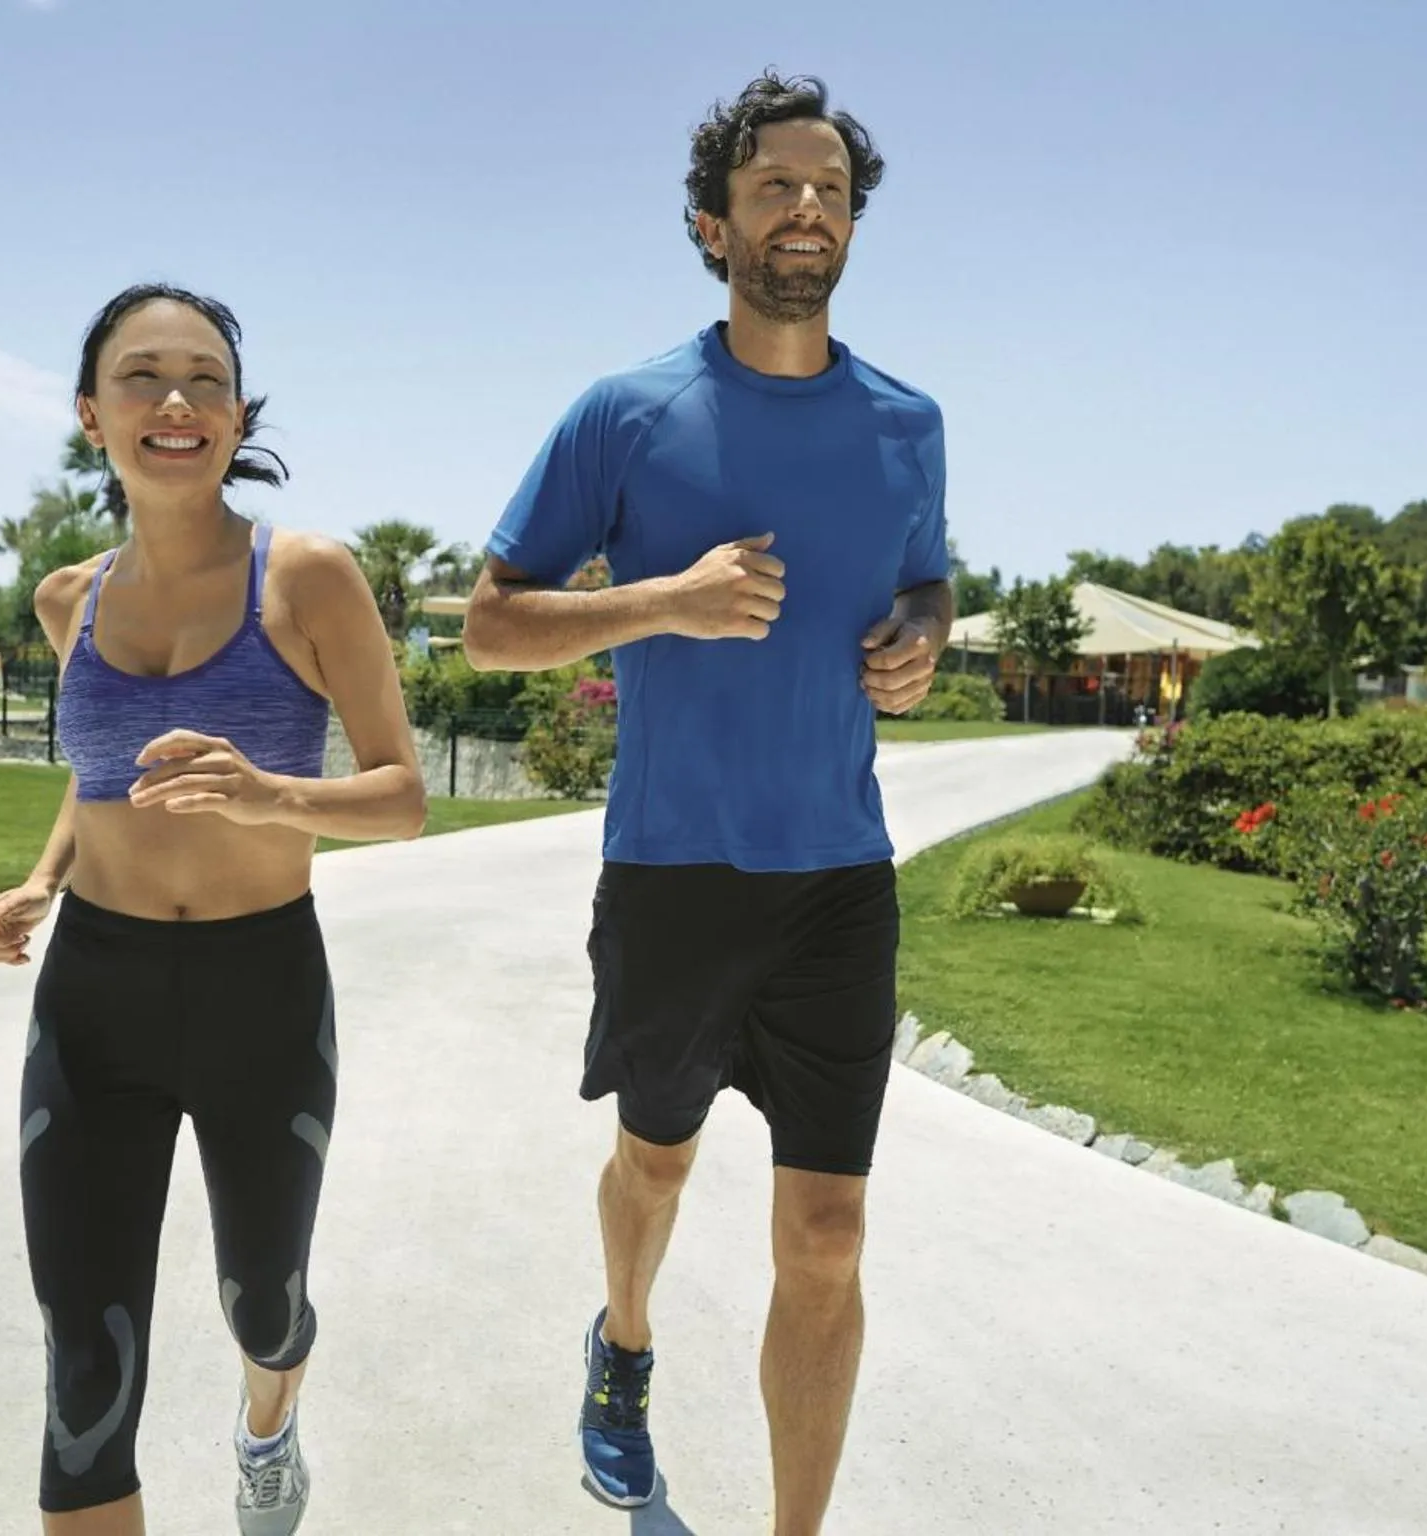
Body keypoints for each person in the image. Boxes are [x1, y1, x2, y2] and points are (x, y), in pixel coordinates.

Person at [462, 71, 953, 1536]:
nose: (805, 211)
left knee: (828, 1231)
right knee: (654, 1163)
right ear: (711, 221)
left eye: (829, 191)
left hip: (835, 881)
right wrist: (661, 603)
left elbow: (923, 573)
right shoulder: (625, 414)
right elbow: (488, 623)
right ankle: (622, 1345)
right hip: (673, 870)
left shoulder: (905, 422)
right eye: (773, 188)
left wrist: (920, 638)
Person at [0, 282, 426, 1536]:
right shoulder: (70, 598)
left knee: (262, 1302)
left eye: (205, 379)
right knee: (83, 1374)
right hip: (94, 1002)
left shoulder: (313, 577)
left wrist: (269, 795)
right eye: (141, 376)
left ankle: (269, 1418)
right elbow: (95, 779)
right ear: (89, 414)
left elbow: (401, 798)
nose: (175, 401)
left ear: (234, 416)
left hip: (260, 994)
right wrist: (39, 880)